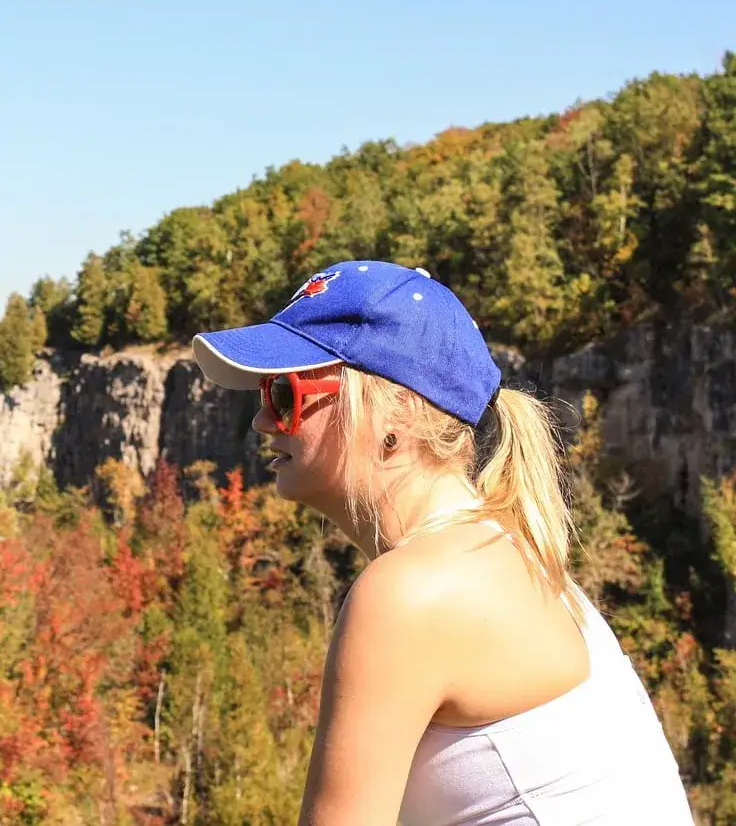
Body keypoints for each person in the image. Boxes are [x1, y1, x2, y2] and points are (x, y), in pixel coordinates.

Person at [191, 260, 694, 825]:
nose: (261, 420)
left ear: (395, 412)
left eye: (284, 393)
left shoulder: (410, 594)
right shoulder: (511, 554)